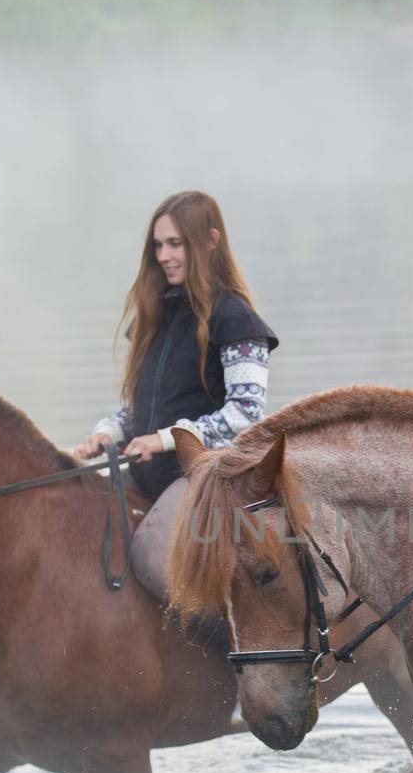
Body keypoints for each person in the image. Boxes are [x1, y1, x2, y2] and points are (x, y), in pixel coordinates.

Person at [75, 190, 278, 622]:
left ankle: (243, 665)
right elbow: (138, 408)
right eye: (157, 245)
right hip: (151, 473)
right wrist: (107, 432)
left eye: (175, 244)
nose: (163, 256)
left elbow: (247, 414)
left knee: (151, 559)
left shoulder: (235, 320)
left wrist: (167, 440)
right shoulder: (154, 317)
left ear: (208, 242)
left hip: (207, 474)